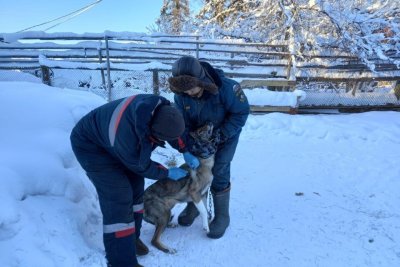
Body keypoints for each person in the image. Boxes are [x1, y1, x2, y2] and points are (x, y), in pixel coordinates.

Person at [70, 94, 192, 267]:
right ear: (152, 132)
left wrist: (184, 148)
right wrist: (166, 172)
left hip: (112, 140)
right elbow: (141, 165)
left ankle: (131, 241)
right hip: (92, 147)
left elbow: (171, 129)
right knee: (119, 199)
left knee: (136, 188)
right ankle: (121, 261)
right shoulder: (130, 135)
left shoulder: (160, 110)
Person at [168, 56, 250, 239]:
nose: (188, 93)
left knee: (219, 169)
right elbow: (182, 123)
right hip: (198, 138)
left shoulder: (227, 88)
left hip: (225, 136)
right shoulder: (181, 95)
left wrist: (223, 134)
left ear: (201, 81)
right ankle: (194, 206)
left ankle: (222, 216)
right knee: (195, 170)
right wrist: (187, 148)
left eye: (191, 88)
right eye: (184, 90)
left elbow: (241, 112)